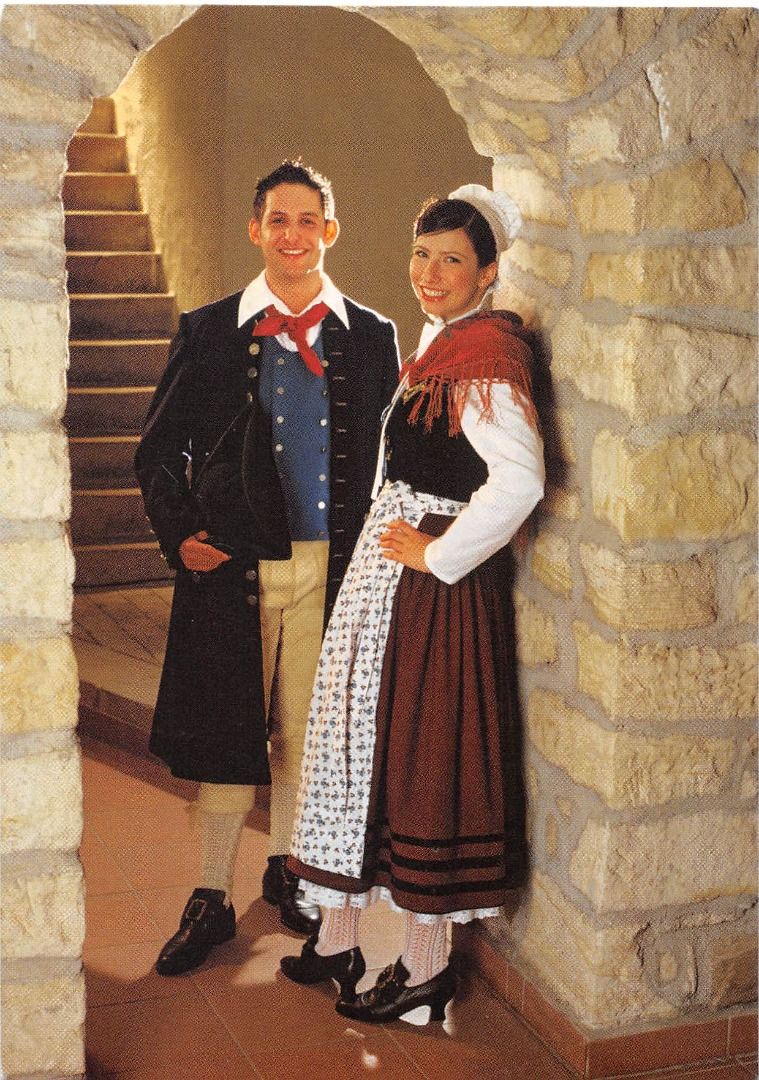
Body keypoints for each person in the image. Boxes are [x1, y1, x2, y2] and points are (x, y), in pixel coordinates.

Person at [280, 185, 545, 1023]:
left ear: (487, 272)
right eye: (421, 255)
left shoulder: (485, 353)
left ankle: (426, 969)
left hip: (432, 595)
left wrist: (438, 554)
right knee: (352, 749)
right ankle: (337, 939)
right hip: (387, 580)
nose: (429, 273)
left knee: (423, 760)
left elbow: (520, 479)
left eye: (451, 260)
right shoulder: (445, 344)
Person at [135, 160, 400, 975]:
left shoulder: (372, 335)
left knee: (303, 734)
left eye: (307, 220)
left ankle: (287, 869)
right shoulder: (210, 330)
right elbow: (157, 450)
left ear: (330, 231)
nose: (292, 235)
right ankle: (210, 893)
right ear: (256, 230)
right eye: (277, 220)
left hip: (331, 570)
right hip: (232, 571)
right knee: (227, 732)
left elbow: (394, 461)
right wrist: (180, 534)